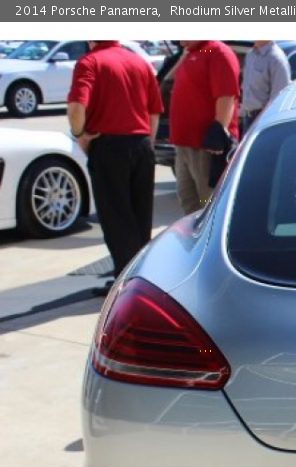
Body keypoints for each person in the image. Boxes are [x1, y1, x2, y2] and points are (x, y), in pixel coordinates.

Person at [67, 41, 163, 293]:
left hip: (109, 146)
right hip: (141, 143)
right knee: (141, 216)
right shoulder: (138, 62)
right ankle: (141, 277)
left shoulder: (90, 62)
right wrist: (148, 143)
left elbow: (76, 107)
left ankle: (125, 282)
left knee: (116, 218)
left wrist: (79, 133)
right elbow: (154, 111)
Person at [169, 41, 240, 215]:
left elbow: (226, 94)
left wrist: (219, 129)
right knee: (190, 204)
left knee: (208, 205)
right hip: (184, 146)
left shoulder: (216, 51)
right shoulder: (193, 53)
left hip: (206, 149)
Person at [240, 41, 291, 136]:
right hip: (247, 119)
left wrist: (261, 122)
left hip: (264, 122)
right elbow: (246, 89)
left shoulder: (276, 59)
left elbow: (278, 100)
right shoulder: (250, 55)